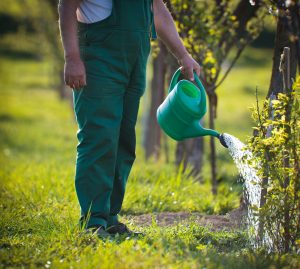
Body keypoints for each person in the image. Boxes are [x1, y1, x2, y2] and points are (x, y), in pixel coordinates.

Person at [58, 0, 201, 237]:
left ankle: (110, 218)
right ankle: (93, 222)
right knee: (99, 138)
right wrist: (72, 57)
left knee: (123, 142)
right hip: (98, 58)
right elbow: (67, 6)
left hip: (134, 62)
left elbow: (157, 8)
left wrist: (183, 55)